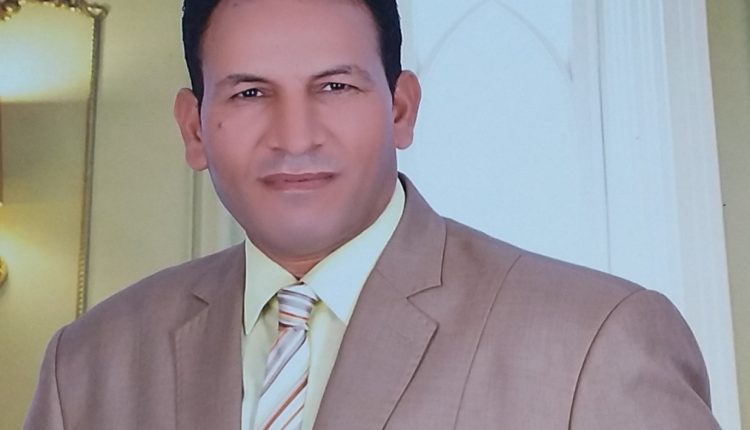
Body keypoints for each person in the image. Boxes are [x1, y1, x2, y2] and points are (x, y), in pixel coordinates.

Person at [25, 0, 721, 429]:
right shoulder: (86, 365)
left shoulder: (594, 341)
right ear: (194, 129)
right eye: (249, 94)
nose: (294, 136)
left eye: (334, 86)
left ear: (401, 109)